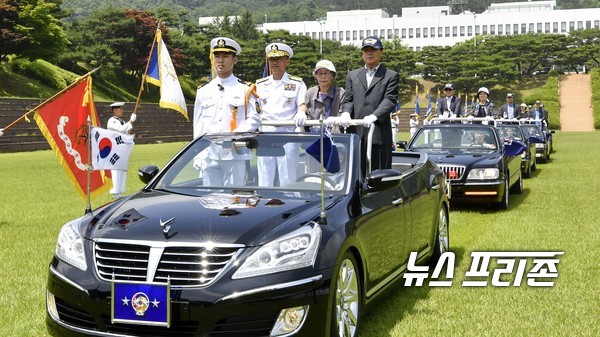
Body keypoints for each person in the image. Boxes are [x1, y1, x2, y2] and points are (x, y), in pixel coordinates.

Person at [237, 42, 308, 187]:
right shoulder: (260, 85)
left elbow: (302, 104)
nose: (274, 63)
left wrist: (301, 113)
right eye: (271, 60)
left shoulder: (297, 83)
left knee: (288, 180)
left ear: (287, 61)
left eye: (279, 59)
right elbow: (255, 111)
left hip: (287, 136)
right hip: (266, 136)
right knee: (265, 179)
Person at [192, 37, 256, 186]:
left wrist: (236, 137)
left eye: (225, 56)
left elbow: (254, 119)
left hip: (234, 154)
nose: (220, 60)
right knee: (211, 200)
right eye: (217, 56)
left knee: (232, 203)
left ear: (235, 60)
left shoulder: (245, 89)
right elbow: (198, 123)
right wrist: (197, 154)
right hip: (209, 154)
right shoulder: (203, 90)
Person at [339, 36, 399, 174]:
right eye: (366, 50)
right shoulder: (353, 75)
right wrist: (346, 112)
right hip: (356, 132)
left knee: (378, 174)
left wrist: (374, 116)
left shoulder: (390, 75)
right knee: (355, 173)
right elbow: (348, 99)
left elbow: (390, 100)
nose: (369, 53)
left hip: (378, 131)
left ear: (381, 52)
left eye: (373, 49)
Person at [305, 59, 345, 133]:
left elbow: (343, 114)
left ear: (332, 75)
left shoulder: (340, 93)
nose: (323, 77)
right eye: (320, 73)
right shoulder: (310, 93)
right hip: (313, 136)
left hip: (335, 137)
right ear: (316, 76)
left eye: (326, 73)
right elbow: (307, 115)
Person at [106, 102, 136, 198]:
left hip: (122, 149)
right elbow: (121, 129)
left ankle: (120, 191)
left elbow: (126, 132)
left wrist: (130, 123)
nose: (122, 110)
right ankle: (115, 192)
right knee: (115, 170)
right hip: (115, 149)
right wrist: (131, 121)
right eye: (120, 108)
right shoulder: (112, 121)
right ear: (115, 110)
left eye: (122, 108)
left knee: (122, 170)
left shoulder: (121, 121)